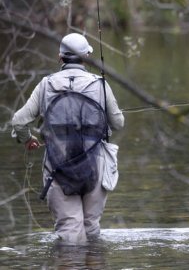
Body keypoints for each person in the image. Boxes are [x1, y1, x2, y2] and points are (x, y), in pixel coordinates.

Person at [11, 33, 125, 243]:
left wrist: (27, 139)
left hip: (58, 166)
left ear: (60, 58)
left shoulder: (46, 85)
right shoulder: (100, 84)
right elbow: (118, 123)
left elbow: (18, 121)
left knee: (70, 233)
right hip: (95, 165)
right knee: (91, 229)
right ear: (87, 57)